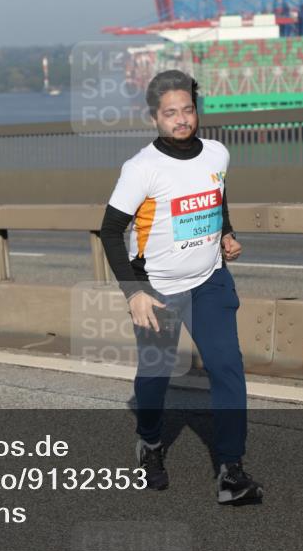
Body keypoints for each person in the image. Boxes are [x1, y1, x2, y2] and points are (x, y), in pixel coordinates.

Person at [99, 69, 263, 505]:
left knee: (227, 368)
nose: (181, 120)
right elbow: (110, 231)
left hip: (210, 281)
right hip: (158, 291)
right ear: (154, 116)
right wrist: (134, 292)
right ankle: (150, 441)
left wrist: (225, 231)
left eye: (188, 110)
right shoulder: (141, 169)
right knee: (155, 377)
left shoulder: (217, 153)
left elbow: (216, 194)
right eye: (170, 113)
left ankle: (231, 470)